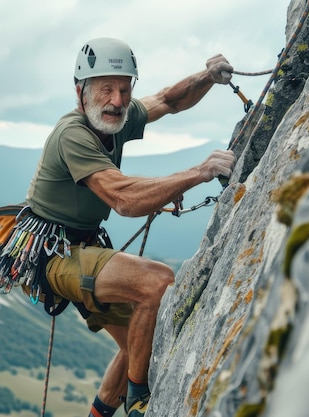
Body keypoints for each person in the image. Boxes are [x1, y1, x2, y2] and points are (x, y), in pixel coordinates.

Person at [24, 38, 236, 417]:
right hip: (53, 254)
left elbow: (168, 101)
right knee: (157, 282)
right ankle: (139, 402)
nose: (117, 100)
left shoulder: (115, 119)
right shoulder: (73, 134)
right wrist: (197, 173)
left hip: (81, 245)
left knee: (139, 343)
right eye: (106, 89)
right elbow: (123, 198)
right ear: (80, 92)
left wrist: (206, 77)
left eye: (124, 89)